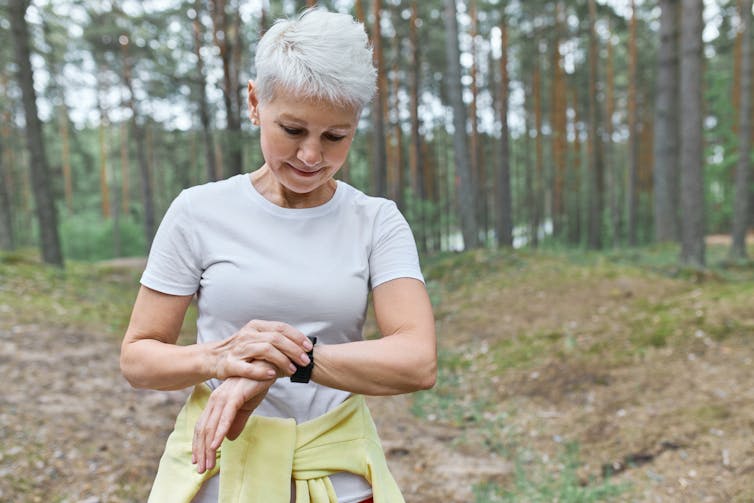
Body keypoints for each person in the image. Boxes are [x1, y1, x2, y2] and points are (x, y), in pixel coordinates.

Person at [119, 7, 437, 503]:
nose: (312, 156)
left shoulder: (376, 220)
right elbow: (139, 358)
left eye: (336, 136)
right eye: (292, 130)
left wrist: (279, 363)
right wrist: (220, 358)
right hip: (219, 474)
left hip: (340, 478)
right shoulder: (198, 211)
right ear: (254, 102)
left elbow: (417, 361)